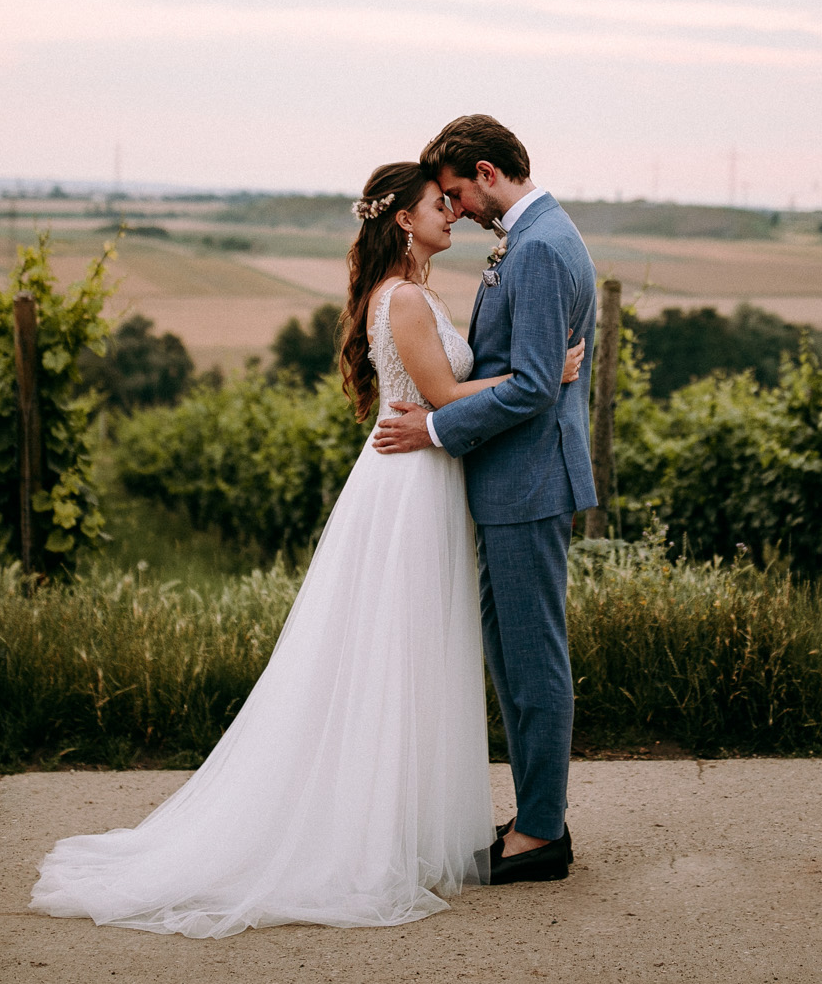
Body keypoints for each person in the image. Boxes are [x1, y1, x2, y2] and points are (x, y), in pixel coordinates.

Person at [30, 157, 585, 938]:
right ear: (404, 218)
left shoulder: (413, 292)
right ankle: (373, 828)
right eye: (439, 203)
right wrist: (541, 378)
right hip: (409, 482)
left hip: (422, 475)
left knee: (406, 650)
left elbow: (448, 389)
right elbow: (441, 396)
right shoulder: (404, 299)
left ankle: (407, 817)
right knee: (394, 651)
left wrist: (521, 379)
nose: (451, 213)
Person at [372, 114, 599, 885]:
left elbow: (533, 386)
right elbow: (531, 372)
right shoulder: (535, 239)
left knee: (533, 659)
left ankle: (541, 832)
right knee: (513, 653)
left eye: (457, 192)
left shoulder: (539, 249)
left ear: (487, 173)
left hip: (530, 482)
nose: (457, 208)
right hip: (516, 483)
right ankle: (537, 814)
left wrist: (435, 427)